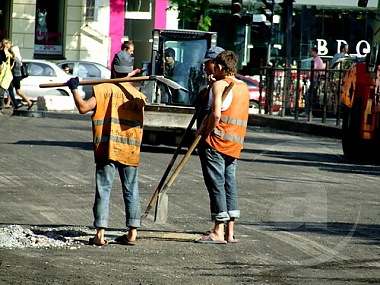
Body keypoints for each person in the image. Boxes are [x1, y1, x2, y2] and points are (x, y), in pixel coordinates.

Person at [66, 68, 147, 246]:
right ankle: (132, 233)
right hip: (130, 148)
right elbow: (141, 125)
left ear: (114, 70)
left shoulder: (103, 89)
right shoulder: (137, 96)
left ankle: (100, 235)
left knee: (104, 189)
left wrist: (73, 89)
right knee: (131, 189)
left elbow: (82, 108)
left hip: (107, 147)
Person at [195, 50, 250, 244]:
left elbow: (216, 115)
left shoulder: (219, 85)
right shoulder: (243, 87)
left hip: (216, 142)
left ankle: (218, 230)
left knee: (216, 184)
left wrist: (205, 133)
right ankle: (230, 232)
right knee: (229, 183)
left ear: (219, 67)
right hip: (234, 144)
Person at [299, 46, 324, 117]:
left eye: (311, 51)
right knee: (310, 96)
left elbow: (313, 70)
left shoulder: (316, 60)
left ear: (314, 52)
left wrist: (307, 76)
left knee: (309, 96)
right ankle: (308, 112)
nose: (310, 53)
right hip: (315, 80)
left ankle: (308, 112)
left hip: (315, 80)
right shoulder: (318, 60)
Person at [8, 45, 34, 110]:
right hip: (17, 76)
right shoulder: (19, 58)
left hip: (16, 76)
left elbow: (12, 68)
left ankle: (29, 102)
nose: (10, 52)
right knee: (10, 89)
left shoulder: (15, 59)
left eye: (11, 51)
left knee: (18, 91)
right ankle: (11, 103)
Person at [0, 38, 15, 110]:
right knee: (3, 92)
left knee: (7, 91)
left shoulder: (10, 54)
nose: (9, 45)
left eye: (9, 43)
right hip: (3, 76)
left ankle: (10, 103)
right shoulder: (2, 53)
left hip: (6, 76)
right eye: (8, 43)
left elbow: (11, 66)